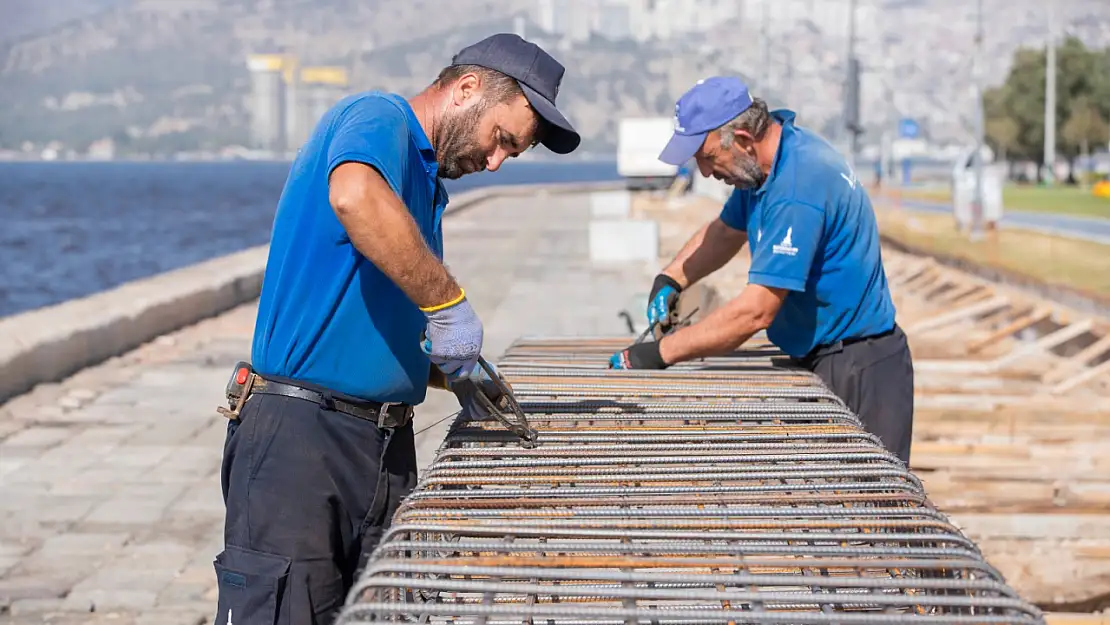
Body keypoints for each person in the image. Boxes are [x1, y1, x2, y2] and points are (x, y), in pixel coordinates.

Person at [214, 33, 580, 625]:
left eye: (511, 156)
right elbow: (354, 196)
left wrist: (453, 373)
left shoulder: (426, 184)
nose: (493, 163)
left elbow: (370, 313)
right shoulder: (378, 117)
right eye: (501, 140)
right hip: (303, 443)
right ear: (467, 89)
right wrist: (449, 304)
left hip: (383, 446)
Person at [608, 76, 914, 465]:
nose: (703, 173)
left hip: (859, 367)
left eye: (706, 157)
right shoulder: (764, 171)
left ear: (741, 139)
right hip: (820, 352)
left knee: (866, 508)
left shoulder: (797, 187)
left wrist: (661, 353)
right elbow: (724, 233)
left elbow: (756, 311)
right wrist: (672, 278)